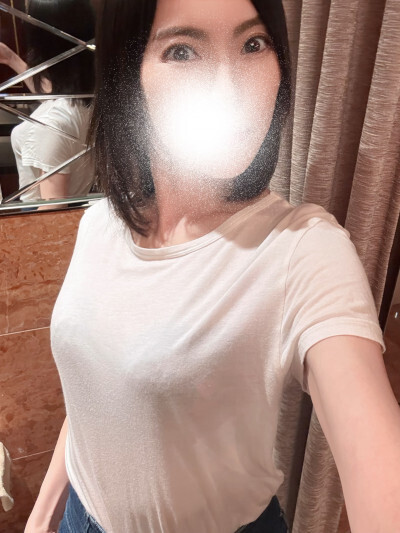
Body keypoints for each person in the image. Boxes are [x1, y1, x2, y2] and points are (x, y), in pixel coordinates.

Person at [25, 0, 400, 532]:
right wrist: (43, 516)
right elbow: (96, 396)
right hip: (78, 517)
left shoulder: (302, 250)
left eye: (253, 44)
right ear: (130, 76)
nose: (230, 91)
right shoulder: (99, 224)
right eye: (182, 51)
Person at [0, 0, 95, 202]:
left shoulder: (52, 123)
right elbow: (50, 92)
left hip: (36, 214)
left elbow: (53, 209)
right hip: (73, 206)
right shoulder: (85, 97)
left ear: (40, 40)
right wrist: (10, 58)